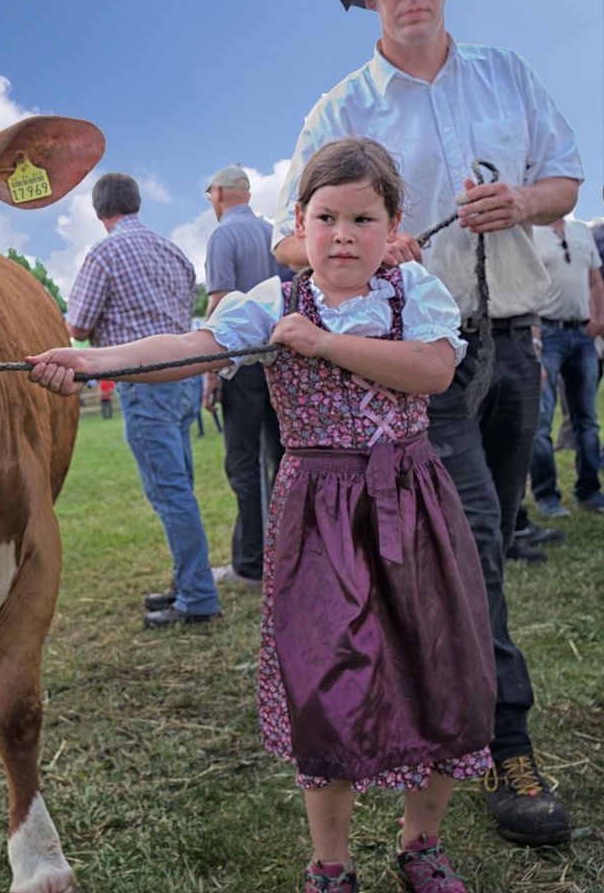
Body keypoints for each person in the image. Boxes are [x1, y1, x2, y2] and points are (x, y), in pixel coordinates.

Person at [28, 139, 495, 893]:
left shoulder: (412, 291)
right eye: (326, 217)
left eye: (363, 219)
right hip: (318, 512)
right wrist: (98, 362)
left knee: (438, 668)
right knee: (326, 680)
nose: (343, 234)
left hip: (409, 501)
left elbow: (436, 370)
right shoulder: (274, 301)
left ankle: (421, 845)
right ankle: (330, 865)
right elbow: (193, 344)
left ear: (393, 224)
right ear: (299, 227)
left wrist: (324, 344)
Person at [272, 0, 582, 847]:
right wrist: (369, 245)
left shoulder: (508, 75)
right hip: (421, 367)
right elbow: (293, 239)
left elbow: (565, 180)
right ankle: (505, 742)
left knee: (487, 537)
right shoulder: (339, 108)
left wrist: (522, 203)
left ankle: (442, 723)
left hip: (514, 335)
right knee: (476, 543)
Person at [64, 172, 221, 628]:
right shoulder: (172, 251)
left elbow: (78, 325)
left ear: (99, 211)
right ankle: (189, 581)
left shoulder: (104, 255)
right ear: (135, 202)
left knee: (170, 493)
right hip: (184, 376)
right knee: (180, 486)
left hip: (144, 380)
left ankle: (197, 596)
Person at [203, 165, 290, 590]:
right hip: (282, 360)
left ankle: (251, 563)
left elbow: (220, 304)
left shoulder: (223, 235)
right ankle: (286, 553)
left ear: (217, 193)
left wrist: (210, 371)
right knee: (283, 459)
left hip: (243, 364)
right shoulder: (275, 233)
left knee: (242, 463)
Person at [528, 218, 604, 517]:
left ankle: (590, 490)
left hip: (582, 335)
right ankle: (547, 496)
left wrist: (599, 319)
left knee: (587, 420)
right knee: (542, 421)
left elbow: (595, 280)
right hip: (546, 334)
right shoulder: (530, 231)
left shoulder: (582, 231)